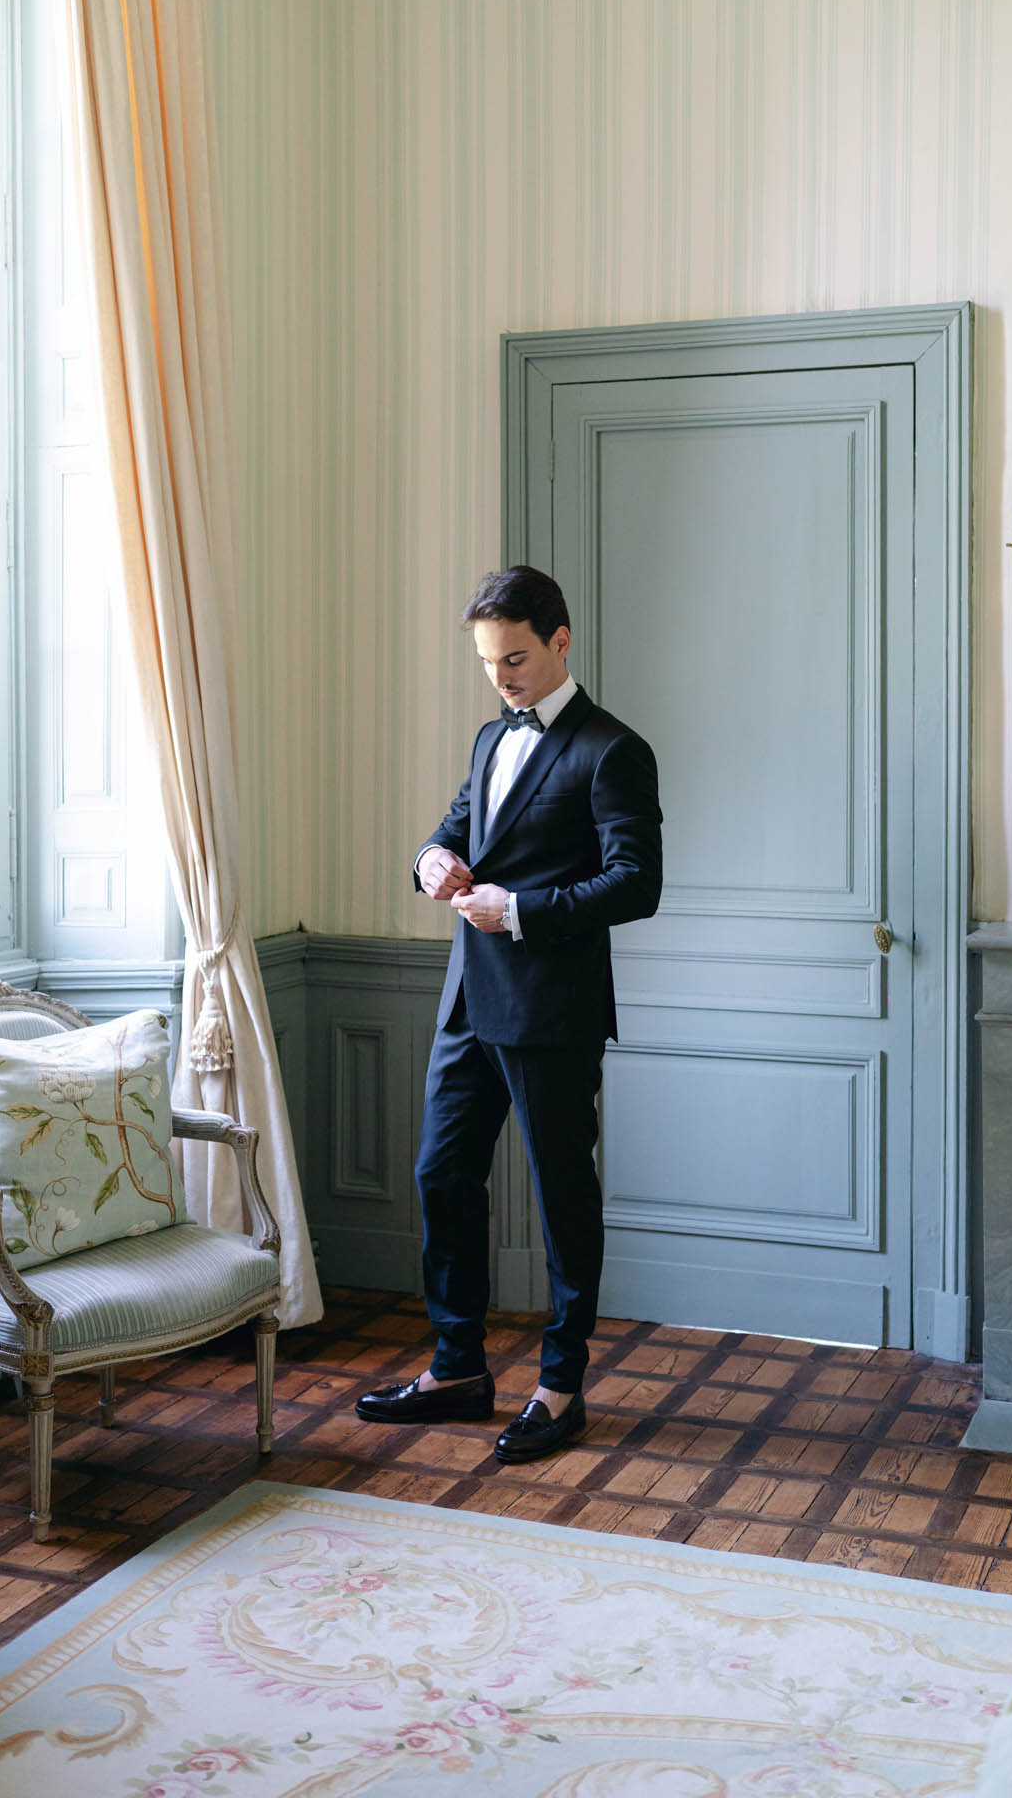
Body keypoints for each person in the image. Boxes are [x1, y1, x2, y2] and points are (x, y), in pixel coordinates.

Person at [355, 565, 663, 1461]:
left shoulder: (614, 751)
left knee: (564, 1200)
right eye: (489, 661)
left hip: (551, 1009)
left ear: (561, 642)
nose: (501, 677)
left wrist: (521, 911)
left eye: (516, 658)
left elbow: (637, 884)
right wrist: (428, 862)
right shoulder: (492, 739)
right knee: (441, 1178)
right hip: (466, 1000)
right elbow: (453, 830)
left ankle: (561, 1386)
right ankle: (458, 1369)